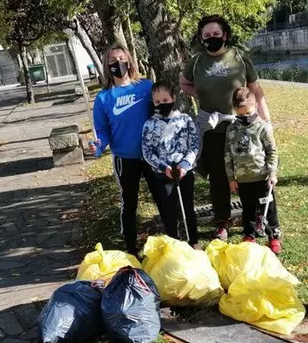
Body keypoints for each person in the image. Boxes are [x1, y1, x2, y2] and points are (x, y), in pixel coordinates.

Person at [180, 14, 272, 241]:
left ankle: (258, 216)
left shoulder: (239, 58)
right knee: (219, 177)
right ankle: (222, 221)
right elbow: (184, 83)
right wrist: (199, 95)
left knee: (254, 170)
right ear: (201, 38)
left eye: (216, 34)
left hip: (242, 127)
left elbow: (256, 91)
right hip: (213, 129)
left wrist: (266, 122)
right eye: (207, 35)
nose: (211, 38)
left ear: (225, 35)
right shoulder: (196, 62)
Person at [90, 44, 161, 255]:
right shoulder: (103, 98)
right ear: (107, 66)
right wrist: (98, 145)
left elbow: (162, 113)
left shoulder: (146, 87)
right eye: (113, 61)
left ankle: (173, 237)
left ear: (129, 61)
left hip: (152, 156)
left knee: (162, 197)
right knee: (130, 203)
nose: (118, 63)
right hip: (124, 158)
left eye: (122, 58)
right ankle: (131, 247)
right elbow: (102, 131)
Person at [141, 81, 200, 248]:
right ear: (153, 103)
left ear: (173, 98)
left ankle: (194, 242)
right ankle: (174, 244)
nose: (162, 104)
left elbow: (194, 144)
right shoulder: (149, 125)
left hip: (184, 172)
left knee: (188, 207)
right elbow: (147, 152)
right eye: (158, 102)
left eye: (165, 100)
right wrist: (163, 167)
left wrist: (185, 164)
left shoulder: (185, 120)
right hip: (163, 175)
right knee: (169, 210)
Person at [225, 87, 282, 254]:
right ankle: (249, 236)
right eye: (241, 114)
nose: (245, 117)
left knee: (268, 209)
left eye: (248, 113)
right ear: (235, 110)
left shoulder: (262, 127)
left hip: (262, 178)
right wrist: (231, 178)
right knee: (248, 209)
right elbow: (227, 155)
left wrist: (272, 173)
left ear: (256, 106)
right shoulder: (231, 129)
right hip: (243, 180)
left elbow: (272, 152)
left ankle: (273, 236)